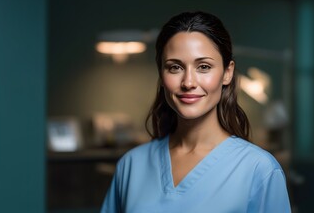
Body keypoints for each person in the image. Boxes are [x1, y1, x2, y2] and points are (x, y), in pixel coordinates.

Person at [101, 11, 291, 213]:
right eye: (175, 67)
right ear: (162, 74)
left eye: (203, 66)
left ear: (227, 73)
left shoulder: (259, 169)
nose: (188, 82)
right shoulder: (131, 165)